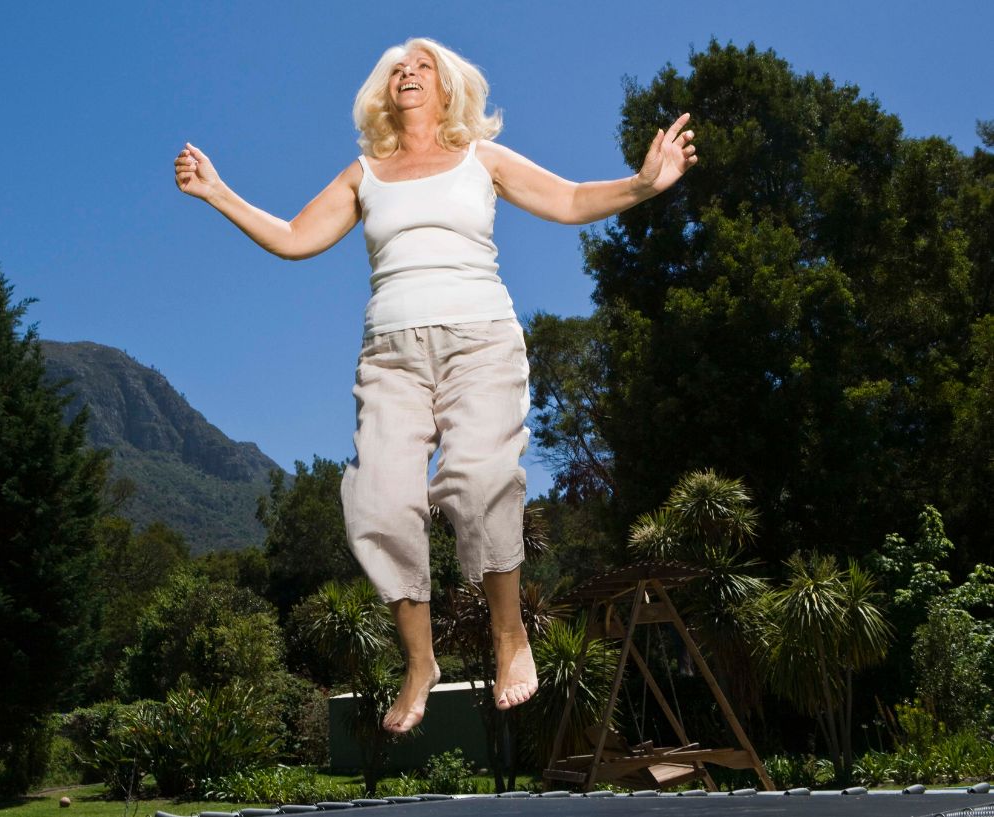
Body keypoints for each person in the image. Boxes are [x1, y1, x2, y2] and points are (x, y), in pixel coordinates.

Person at [174, 37, 697, 734]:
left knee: (480, 481)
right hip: (391, 356)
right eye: (397, 69)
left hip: (481, 341)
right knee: (381, 504)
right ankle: (421, 662)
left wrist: (639, 186)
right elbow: (297, 237)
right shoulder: (365, 173)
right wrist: (217, 192)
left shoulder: (482, 158)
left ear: (448, 88)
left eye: (423, 66)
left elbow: (568, 198)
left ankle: (510, 636)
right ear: (383, 94)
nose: (408, 73)